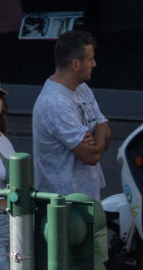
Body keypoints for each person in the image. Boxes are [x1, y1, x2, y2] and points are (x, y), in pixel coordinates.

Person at [32, 33, 109, 202]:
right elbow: (91, 157)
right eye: (91, 59)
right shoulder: (55, 104)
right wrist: (97, 134)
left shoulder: (82, 89)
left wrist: (97, 137)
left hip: (86, 199)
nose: (94, 64)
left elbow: (105, 128)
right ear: (75, 64)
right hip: (62, 205)